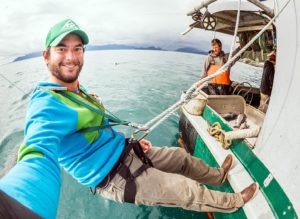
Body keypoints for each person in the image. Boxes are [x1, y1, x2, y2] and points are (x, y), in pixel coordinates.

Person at [2, 19, 259, 217]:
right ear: (46, 55)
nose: (71, 56)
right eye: (61, 49)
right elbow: (38, 152)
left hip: (128, 153)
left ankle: (218, 176)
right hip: (113, 177)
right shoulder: (46, 105)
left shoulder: (73, 90)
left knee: (180, 158)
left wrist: (128, 144)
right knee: (184, 190)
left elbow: (97, 132)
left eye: (77, 48)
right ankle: (234, 202)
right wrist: (15, 206)